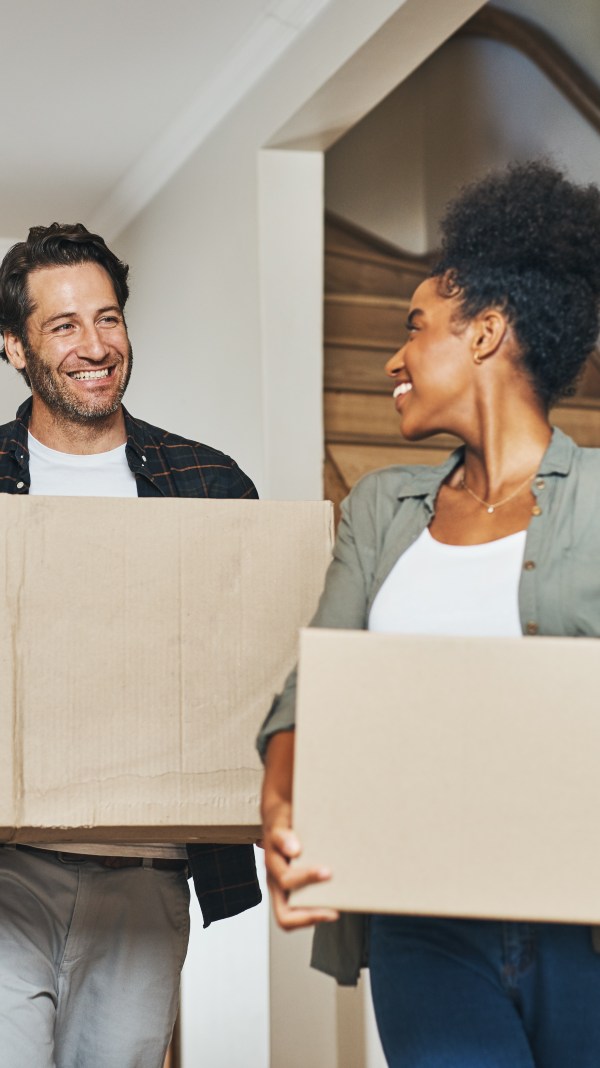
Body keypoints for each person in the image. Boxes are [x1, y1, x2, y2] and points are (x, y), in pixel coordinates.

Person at [258, 161, 600, 1066]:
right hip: (422, 927)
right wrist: (280, 814)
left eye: (415, 328)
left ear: (487, 332)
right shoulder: (381, 507)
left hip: (587, 932)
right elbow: (313, 687)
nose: (394, 359)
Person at [0, 222, 261, 1068]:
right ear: (13, 347)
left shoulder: (209, 484)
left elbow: (253, 667)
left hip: (151, 867)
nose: (94, 345)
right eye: (63, 324)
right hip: (8, 862)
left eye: (107, 318)